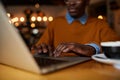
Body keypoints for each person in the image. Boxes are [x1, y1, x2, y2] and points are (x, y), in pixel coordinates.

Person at [31, 0, 120, 57]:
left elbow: (116, 46)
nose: (71, 2)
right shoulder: (55, 23)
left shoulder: (100, 24)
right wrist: (40, 51)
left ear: (87, 1)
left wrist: (92, 48)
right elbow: (36, 49)